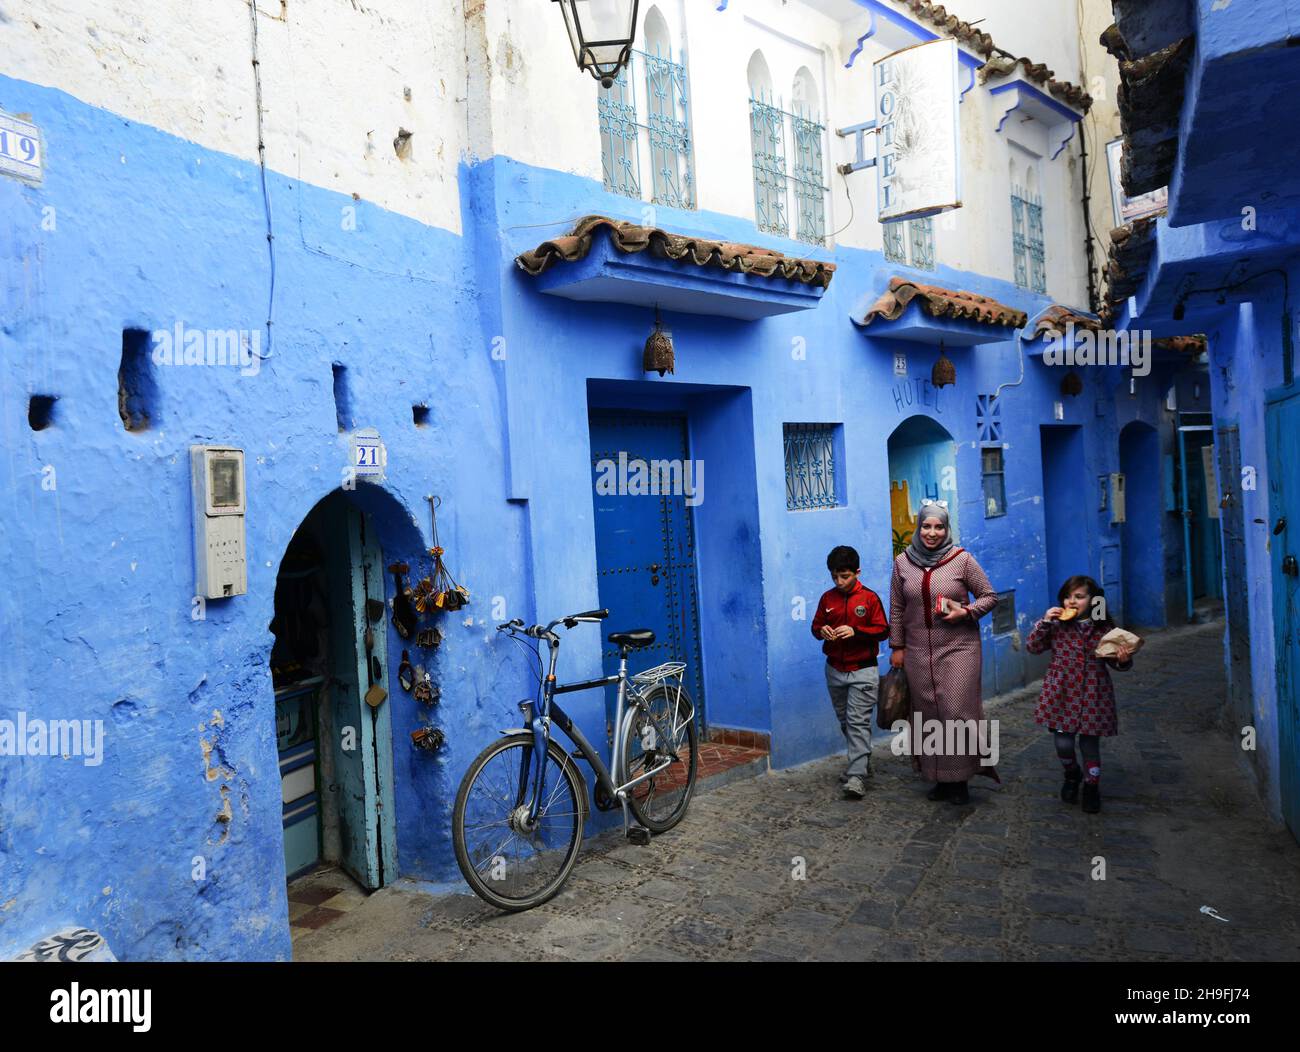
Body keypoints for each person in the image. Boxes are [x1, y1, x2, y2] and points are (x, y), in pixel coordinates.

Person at [888, 501, 999, 805]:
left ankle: (960, 779)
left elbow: (989, 597)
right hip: (917, 652)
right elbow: (897, 608)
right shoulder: (902, 563)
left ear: (947, 529)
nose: (932, 533)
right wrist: (896, 647)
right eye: (926, 526)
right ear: (918, 527)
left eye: (939, 527)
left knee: (955, 712)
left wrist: (965, 611)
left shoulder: (961, 560)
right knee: (926, 714)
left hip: (959, 648)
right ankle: (938, 777)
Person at [1025, 575, 1134, 814]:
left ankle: (1091, 787)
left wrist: (1123, 660)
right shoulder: (1055, 625)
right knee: (1063, 743)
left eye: (1079, 597)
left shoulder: (1104, 629)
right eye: (1067, 596)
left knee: (1089, 744)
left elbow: (1117, 664)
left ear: (1093, 601)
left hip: (1094, 693)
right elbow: (1033, 647)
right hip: (1062, 693)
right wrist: (1043, 622)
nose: (1071, 602)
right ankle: (1072, 774)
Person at [811, 545, 890, 799]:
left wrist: (857, 631)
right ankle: (862, 761)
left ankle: (856, 776)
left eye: (844, 576)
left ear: (857, 572)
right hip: (834, 669)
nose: (839, 581)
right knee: (846, 721)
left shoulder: (869, 598)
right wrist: (822, 630)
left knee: (857, 721)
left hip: (863, 670)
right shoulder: (827, 598)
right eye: (834, 576)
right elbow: (815, 627)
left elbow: (883, 630)